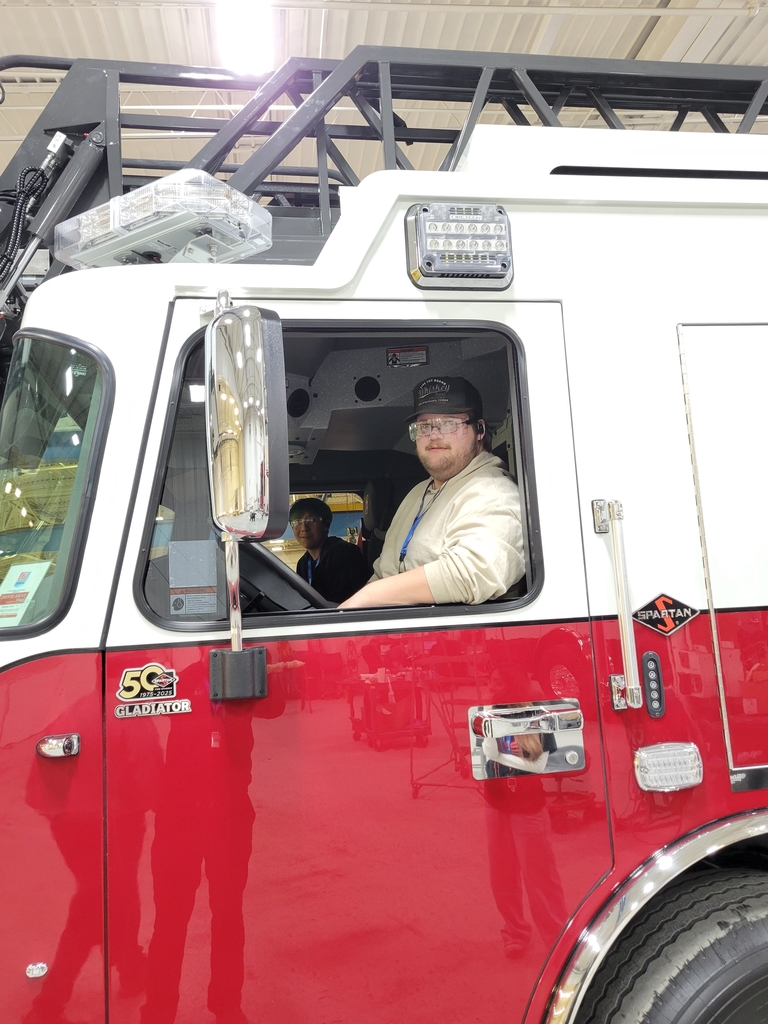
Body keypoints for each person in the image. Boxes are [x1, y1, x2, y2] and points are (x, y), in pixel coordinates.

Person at [339, 376, 524, 609]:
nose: (434, 435)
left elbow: (474, 573)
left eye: (448, 423)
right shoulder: (418, 492)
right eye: (424, 426)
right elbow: (383, 571)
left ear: (479, 430)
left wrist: (368, 597)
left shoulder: (493, 491)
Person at [291, 497, 369, 604]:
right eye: (297, 521)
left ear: (325, 525)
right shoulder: (303, 564)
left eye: (311, 520)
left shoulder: (344, 554)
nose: (304, 528)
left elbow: (343, 603)